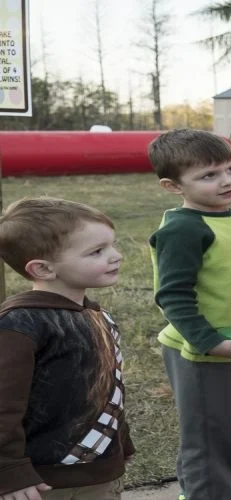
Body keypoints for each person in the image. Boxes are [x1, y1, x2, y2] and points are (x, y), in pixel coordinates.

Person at [147, 129, 231, 500]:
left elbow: (223, 281)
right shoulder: (184, 229)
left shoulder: (223, 217)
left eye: (230, 169)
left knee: (222, 431)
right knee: (209, 438)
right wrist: (208, 341)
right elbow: (172, 295)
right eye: (208, 175)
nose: (226, 181)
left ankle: (215, 491)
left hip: (227, 342)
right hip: (200, 350)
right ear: (173, 186)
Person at [0, 197, 134, 500]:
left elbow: (106, 391)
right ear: (44, 269)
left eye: (112, 245)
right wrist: (8, 471)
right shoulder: (19, 326)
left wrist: (119, 443)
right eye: (97, 251)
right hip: (46, 484)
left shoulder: (96, 315)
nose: (116, 256)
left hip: (98, 474)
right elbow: (4, 405)